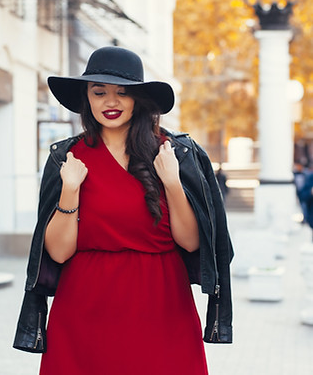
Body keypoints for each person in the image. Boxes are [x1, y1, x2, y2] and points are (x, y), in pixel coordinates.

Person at [13, 46, 233, 374]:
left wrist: (172, 182)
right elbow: (58, 253)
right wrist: (70, 189)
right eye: (99, 92)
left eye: (122, 93)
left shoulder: (173, 153)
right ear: (87, 97)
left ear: (138, 99)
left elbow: (190, 243)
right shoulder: (68, 158)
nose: (110, 102)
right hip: (83, 310)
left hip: (162, 307)